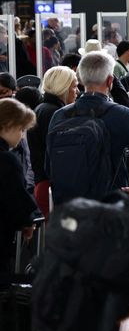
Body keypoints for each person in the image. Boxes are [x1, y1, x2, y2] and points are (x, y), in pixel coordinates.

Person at [47, 52, 129, 204]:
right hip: (110, 207)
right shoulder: (123, 116)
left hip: (68, 209)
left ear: (81, 79)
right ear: (110, 81)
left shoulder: (59, 115)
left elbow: (48, 165)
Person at [27, 66, 78, 218]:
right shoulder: (54, 114)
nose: (77, 91)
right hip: (50, 186)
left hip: (44, 183)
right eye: (74, 86)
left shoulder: (43, 108)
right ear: (63, 87)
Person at [0, 98, 38, 276]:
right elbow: (17, 199)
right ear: (8, 124)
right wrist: (28, 221)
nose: (22, 136)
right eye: (21, 129)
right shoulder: (7, 160)